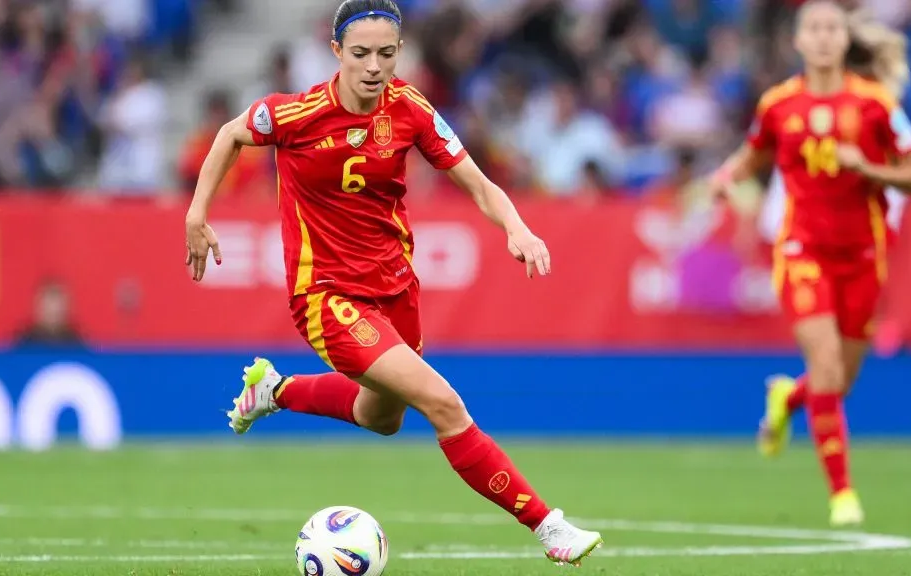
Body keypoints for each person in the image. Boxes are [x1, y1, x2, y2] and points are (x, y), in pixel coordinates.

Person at [183, 0, 603, 567]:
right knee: (443, 403)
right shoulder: (295, 113)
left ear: (399, 51)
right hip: (326, 296)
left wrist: (518, 229)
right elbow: (230, 136)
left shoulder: (410, 110)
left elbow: (478, 184)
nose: (374, 66)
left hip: (395, 290)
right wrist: (197, 214)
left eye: (386, 53)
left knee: (379, 418)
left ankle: (274, 390)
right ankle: (549, 526)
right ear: (337, 53)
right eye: (360, 54)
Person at [708, 0, 911, 527]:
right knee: (826, 365)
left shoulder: (876, 105)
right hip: (802, 250)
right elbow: (755, 152)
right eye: (814, 29)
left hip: (864, 256)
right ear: (798, 41)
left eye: (832, 29)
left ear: (845, 41)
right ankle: (843, 496)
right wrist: (727, 175)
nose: (824, 38)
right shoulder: (778, 104)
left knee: (837, 381)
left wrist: (869, 167)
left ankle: (787, 395)